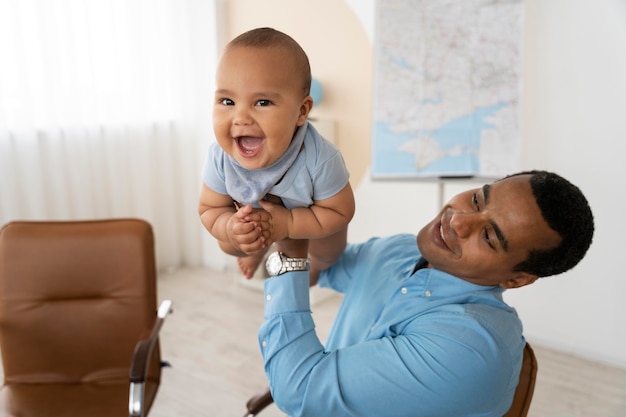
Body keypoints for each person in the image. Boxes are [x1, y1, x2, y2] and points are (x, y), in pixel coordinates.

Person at [257, 170, 594, 417]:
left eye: (489, 237)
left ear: (518, 279)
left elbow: (297, 387)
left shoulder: (470, 350)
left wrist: (288, 243)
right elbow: (320, 265)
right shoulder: (400, 251)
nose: (460, 221)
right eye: (477, 199)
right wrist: (325, 208)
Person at [198, 27, 354, 283]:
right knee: (228, 244)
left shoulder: (321, 158)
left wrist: (289, 224)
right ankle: (255, 249)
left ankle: (317, 265)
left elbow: (340, 211)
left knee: (329, 252)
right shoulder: (220, 157)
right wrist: (232, 228)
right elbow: (209, 208)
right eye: (227, 101)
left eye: (262, 102)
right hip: (255, 219)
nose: (240, 117)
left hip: (315, 216)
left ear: (301, 112)